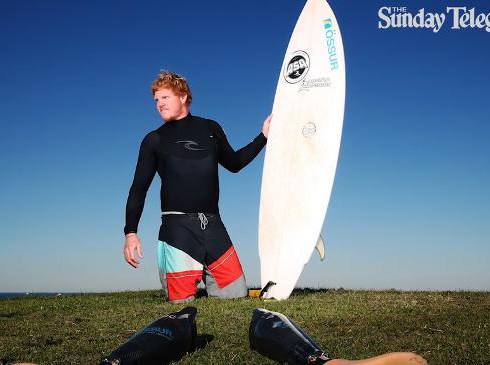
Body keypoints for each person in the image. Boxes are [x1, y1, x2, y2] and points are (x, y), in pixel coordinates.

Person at [123, 70, 271, 303]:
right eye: (156, 100)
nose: (159, 104)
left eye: (165, 97)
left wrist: (263, 136)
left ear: (183, 96)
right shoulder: (154, 139)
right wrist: (131, 233)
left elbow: (234, 164)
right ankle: (187, 272)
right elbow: (138, 189)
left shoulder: (210, 128)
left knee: (235, 295)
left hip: (214, 226)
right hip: (178, 230)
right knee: (181, 303)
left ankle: (204, 268)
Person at [249, 308, 428, 365]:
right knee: (267, 321)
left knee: (267, 320)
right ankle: (323, 362)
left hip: (263, 325)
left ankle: (323, 362)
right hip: (264, 325)